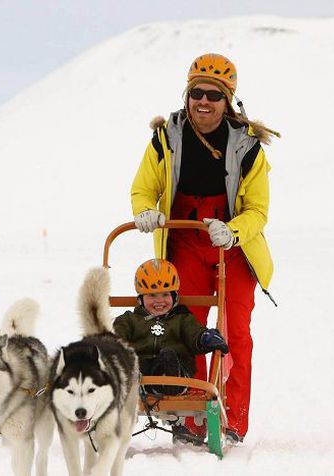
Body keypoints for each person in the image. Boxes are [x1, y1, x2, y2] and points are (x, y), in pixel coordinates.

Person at [130, 53, 278, 444]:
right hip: (184, 237)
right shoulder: (166, 139)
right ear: (187, 94)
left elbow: (258, 211)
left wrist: (232, 231)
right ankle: (192, 417)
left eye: (214, 94)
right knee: (187, 328)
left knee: (236, 333)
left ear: (227, 100)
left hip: (232, 245)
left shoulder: (247, 147)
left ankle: (233, 420)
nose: (204, 102)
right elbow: (144, 187)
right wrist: (144, 211)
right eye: (197, 92)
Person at [113, 258, 228, 444]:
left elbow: (194, 335)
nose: (159, 301)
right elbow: (116, 336)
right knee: (132, 360)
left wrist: (205, 337)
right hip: (141, 380)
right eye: (152, 295)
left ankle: (174, 407)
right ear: (140, 299)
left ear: (174, 296)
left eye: (165, 294)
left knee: (168, 354)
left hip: (175, 377)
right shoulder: (130, 320)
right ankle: (120, 419)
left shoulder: (182, 318)